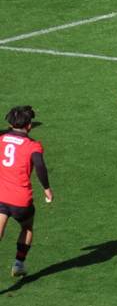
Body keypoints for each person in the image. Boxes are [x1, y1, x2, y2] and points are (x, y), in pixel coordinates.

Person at [0, 106, 53, 277]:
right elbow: (40, 166)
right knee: (27, 227)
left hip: (1, 195)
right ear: (29, 125)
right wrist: (46, 188)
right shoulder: (33, 145)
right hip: (21, 200)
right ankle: (18, 264)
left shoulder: (1, 139)